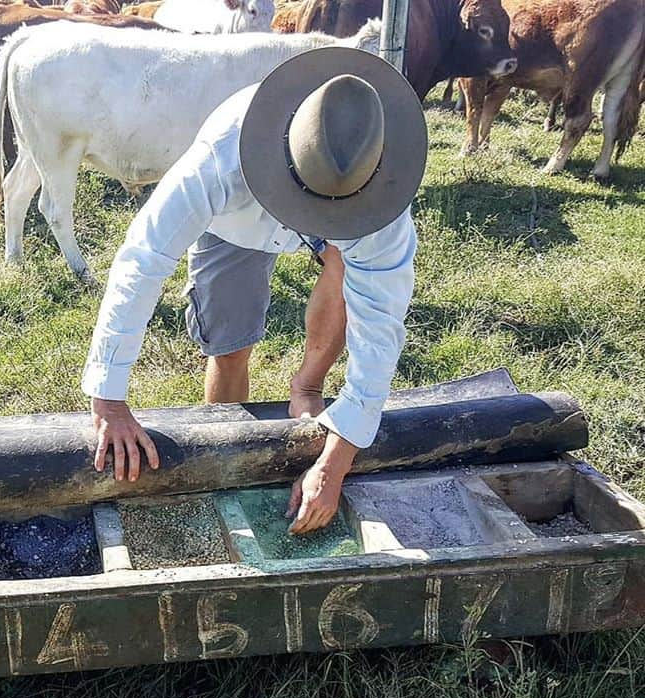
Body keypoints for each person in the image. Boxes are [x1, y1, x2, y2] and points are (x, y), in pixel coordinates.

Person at [81, 46, 428, 534]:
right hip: (235, 227)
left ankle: (308, 389)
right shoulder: (219, 161)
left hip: (346, 222)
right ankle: (224, 445)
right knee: (230, 345)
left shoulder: (381, 200)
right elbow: (143, 261)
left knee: (345, 271)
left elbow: (381, 324)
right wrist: (109, 399)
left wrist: (336, 461)